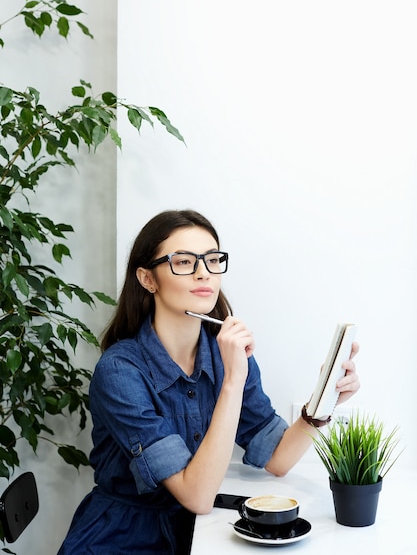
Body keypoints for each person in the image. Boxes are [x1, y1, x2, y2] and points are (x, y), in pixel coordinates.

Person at [58, 209, 360, 555]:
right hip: (122, 538)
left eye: (213, 260)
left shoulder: (224, 352)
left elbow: (278, 458)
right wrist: (232, 381)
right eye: (184, 262)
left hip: (198, 534)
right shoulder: (120, 370)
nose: (204, 273)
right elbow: (197, 496)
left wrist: (322, 404)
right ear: (147, 279)